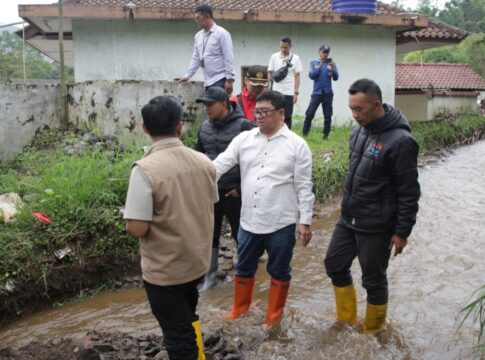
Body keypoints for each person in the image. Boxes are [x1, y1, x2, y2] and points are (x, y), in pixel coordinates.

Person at [124, 96, 218, 360]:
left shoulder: (144, 170)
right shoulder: (205, 163)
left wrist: (129, 218)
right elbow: (208, 203)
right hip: (196, 264)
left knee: (178, 340)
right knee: (187, 316)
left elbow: (138, 228)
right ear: (180, 126)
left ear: (144, 128)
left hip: (165, 273)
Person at [324, 79, 421, 334]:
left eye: (359, 109)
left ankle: (373, 332)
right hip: (348, 219)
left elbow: (409, 192)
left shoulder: (401, 142)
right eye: (352, 108)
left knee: (374, 281)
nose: (355, 115)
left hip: (377, 226)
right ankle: (346, 321)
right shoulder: (359, 132)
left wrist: (402, 232)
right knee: (334, 264)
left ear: (376, 104)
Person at [214, 90, 315, 327]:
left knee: (279, 269)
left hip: (281, 221)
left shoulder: (297, 146)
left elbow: (303, 185)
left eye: (264, 112)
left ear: (281, 113)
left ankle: (273, 316)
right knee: (244, 266)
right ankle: (239, 310)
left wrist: (305, 221)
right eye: (256, 111)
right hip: (249, 219)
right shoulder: (244, 140)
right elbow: (219, 164)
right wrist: (193, 173)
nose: (258, 116)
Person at [195, 87, 255, 292]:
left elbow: (256, 161)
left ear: (223, 104)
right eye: (204, 105)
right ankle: (209, 276)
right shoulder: (203, 127)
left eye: (210, 104)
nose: (206, 109)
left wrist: (240, 188)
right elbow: (199, 157)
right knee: (210, 233)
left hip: (235, 192)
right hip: (211, 190)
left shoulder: (245, 126)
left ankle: (246, 274)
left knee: (241, 233)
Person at [175, 4, 235, 93]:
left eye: (198, 18)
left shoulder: (222, 33)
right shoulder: (198, 36)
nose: (197, 21)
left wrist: (229, 80)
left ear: (207, 16)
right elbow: (196, 58)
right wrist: (187, 76)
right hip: (208, 81)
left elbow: (228, 57)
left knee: (217, 105)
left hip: (220, 79)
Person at [302, 44, 339, 139]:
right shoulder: (314, 63)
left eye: (327, 52)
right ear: (319, 52)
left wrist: (332, 70)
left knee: (328, 115)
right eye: (323, 52)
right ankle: (305, 134)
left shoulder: (332, 63)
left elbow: (336, 78)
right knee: (310, 113)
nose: (325, 54)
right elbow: (311, 76)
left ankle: (325, 136)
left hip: (327, 93)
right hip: (316, 93)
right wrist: (319, 67)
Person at [268, 36, 302, 129]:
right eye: (281, 47)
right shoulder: (274, 56)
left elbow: (297, 76)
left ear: (290, 46)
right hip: (276, 91)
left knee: (287, 116)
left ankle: (287, 135)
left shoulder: (296, 58)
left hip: (289, 92)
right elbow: (270, 73)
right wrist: (269, 90)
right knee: (274, 113)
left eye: (285, 47)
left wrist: (296, 92)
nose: (283, 49)